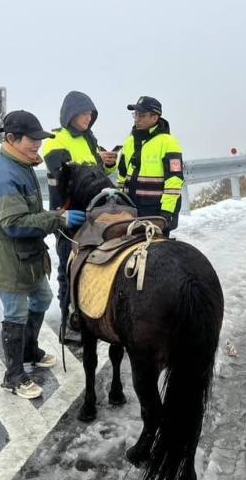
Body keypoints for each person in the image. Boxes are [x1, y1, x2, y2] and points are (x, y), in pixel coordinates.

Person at [0, 110, 87, 399]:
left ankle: (29, 350)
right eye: (32, 139)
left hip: (29, 255)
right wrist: (58, 219)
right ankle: (13, 376)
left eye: (39, 139)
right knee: (15, 313)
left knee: (42, 298)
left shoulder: (21, 164)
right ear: (11, 138)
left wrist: (55, 216)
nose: (38, 145)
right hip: (10, 259)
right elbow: (14, 223)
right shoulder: (3, 175)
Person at [43, 91, 117, 341]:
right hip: (69, 215)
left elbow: (97, 173)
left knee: (94, 265)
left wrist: (106, 165)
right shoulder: (55, 140)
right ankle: (67, 320)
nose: (88, 118)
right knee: (68, 267)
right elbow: (67, 174)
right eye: (83, 113)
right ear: (70, 114)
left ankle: (89, 313)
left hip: (94, 214)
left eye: (90, 114)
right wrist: (96, 175)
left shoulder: (89, 140)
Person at [117, 96, 184, 236]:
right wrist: (119, 201)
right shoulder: (129, 142)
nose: (137, 119)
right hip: (132, 210)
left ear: (154, 117)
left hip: (157, 211)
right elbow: (122, 175)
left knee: (157, 248)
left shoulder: (168, 142)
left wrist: (166, 212)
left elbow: (174, 181)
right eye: (135, 114)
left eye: (142, 115)